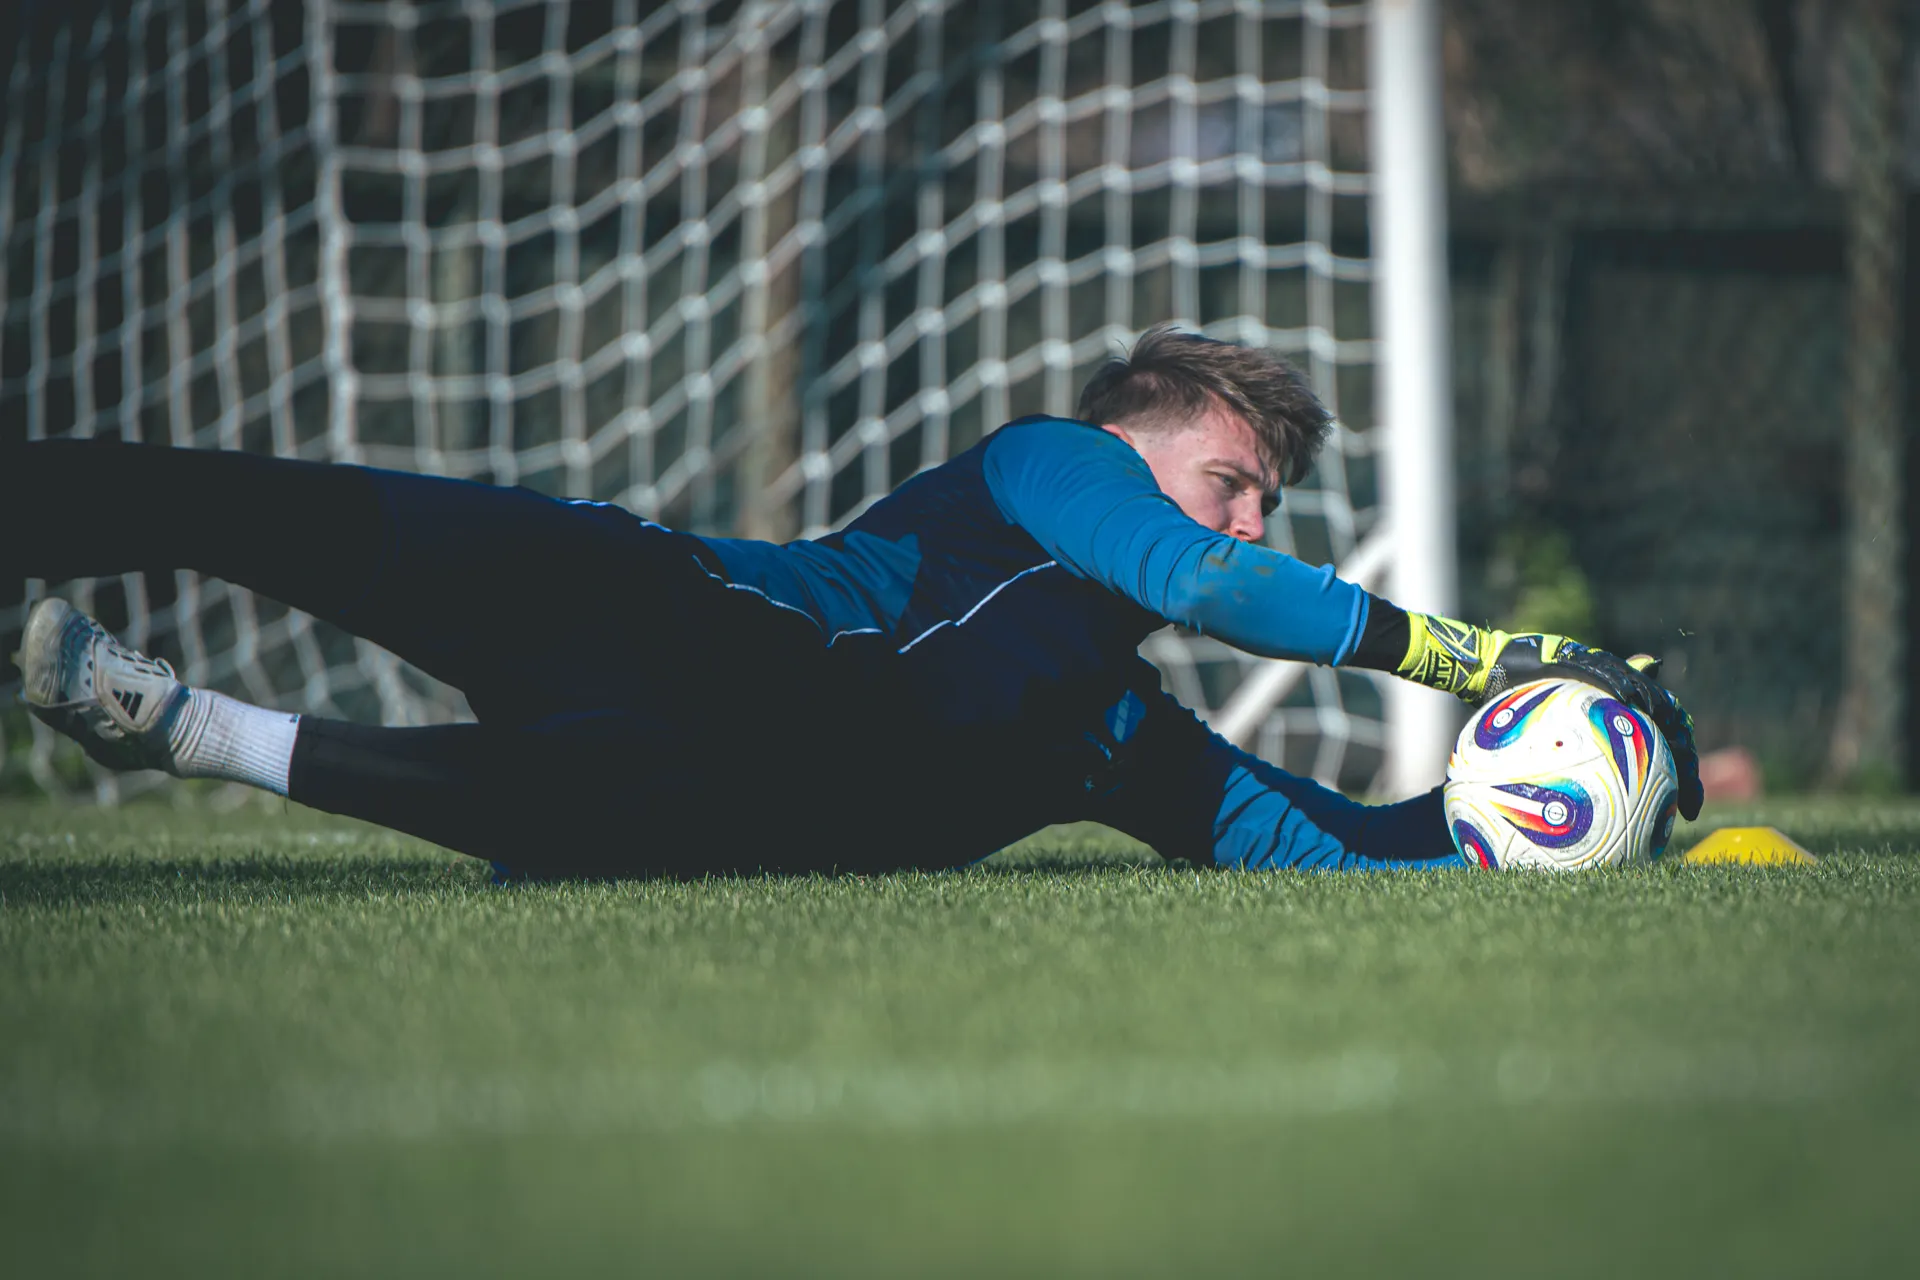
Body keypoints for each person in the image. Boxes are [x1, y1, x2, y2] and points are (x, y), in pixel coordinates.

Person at [3, 325, 1700, 877]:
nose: (1254, 520)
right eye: (1234, 476)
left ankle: (180, 726)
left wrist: (1565, 796)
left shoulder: (1112, 733)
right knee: (246, 510)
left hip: (695, 780)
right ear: (1134, 439)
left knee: (640, 817)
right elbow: (1199, 575)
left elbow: (1341, 845)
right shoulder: (1048, 462)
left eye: (1272, 503)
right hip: (657, 606)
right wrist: (1485, 652)